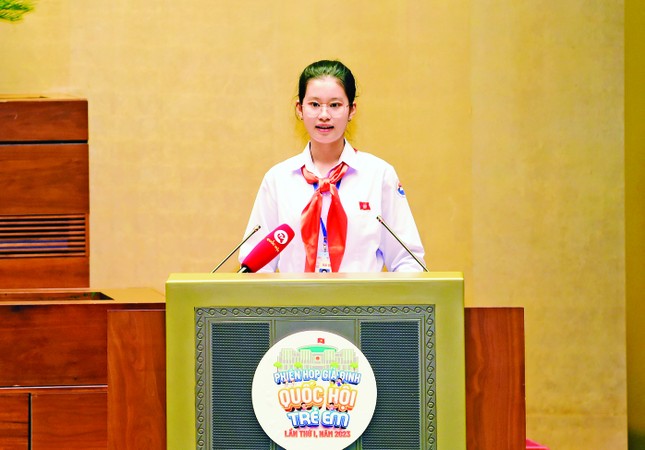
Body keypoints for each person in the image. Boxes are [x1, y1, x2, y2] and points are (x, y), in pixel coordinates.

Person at [238, 59, 425, 273]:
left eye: (335, 105)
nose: (324, 115)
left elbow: (408, 261)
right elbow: (255, 267)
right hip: (293, 305)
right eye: (315, 104)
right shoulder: (278, 179)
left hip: (363, 305)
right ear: (300, 109)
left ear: (352, 109)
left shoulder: (379, 175)